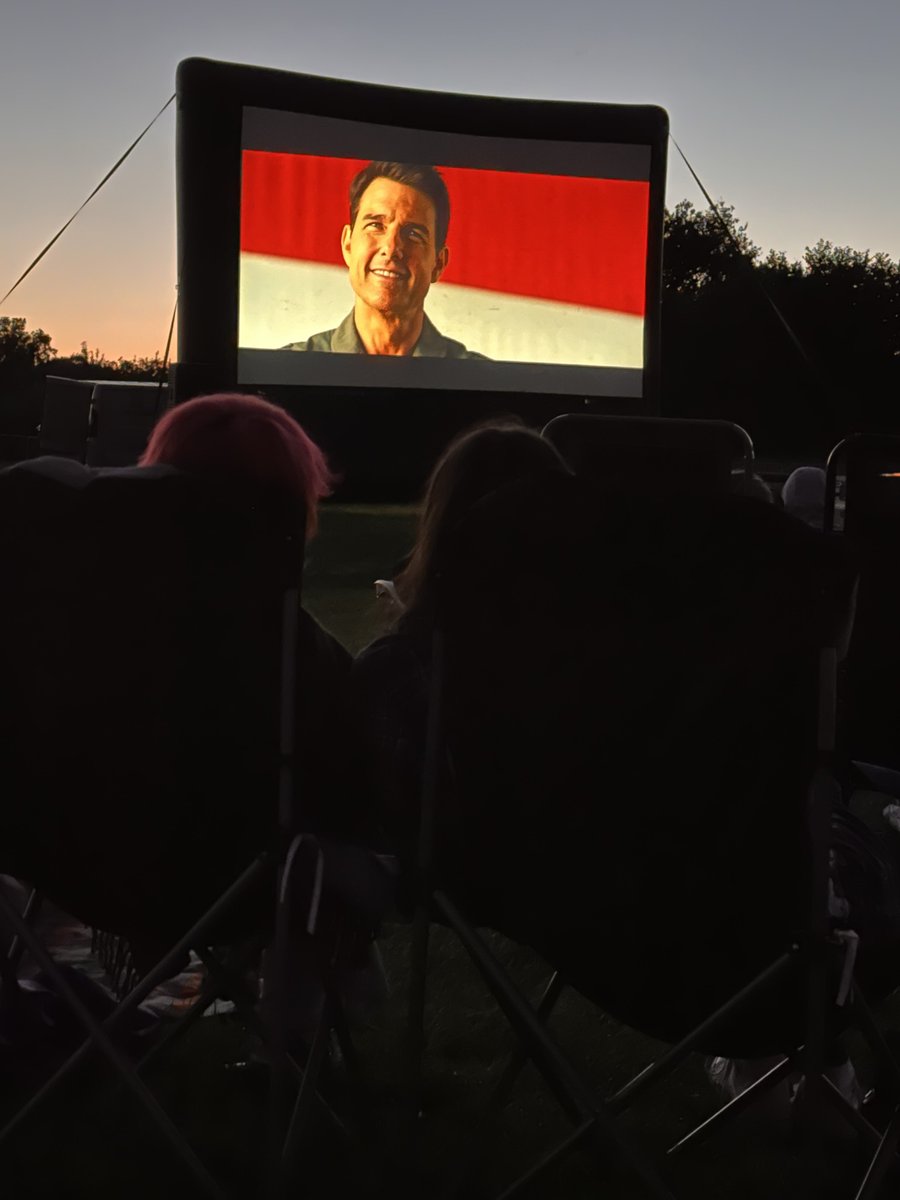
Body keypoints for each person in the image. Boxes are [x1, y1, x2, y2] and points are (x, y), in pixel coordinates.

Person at [282, 161, 487, 359]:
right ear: (348, 244)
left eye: (414, 234)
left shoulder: (481, 381)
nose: (390, 249)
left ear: (438, 264)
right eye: (376, 226)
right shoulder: (287, 371)